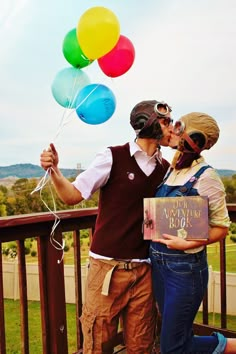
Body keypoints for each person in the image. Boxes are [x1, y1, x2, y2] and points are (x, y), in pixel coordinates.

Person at [40, 100, 173, 354]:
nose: (172, 127)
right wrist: (55, 170)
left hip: (145, 271)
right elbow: (73, 195)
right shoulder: (112, 156)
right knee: (97, 343)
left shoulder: (165, 169)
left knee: (142, 345)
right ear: (147, 124)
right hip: (106, 269)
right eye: (166, 122)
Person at [149, 112, 236, 354]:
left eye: (179, 126)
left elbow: (221, 227)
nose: (174, 130)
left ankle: (230, 346)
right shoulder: (172, 169)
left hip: (184, 269)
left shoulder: (207, 177)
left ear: (195, 137)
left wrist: (186, 243)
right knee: (178, 339)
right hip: (159, 264)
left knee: (172, 347)